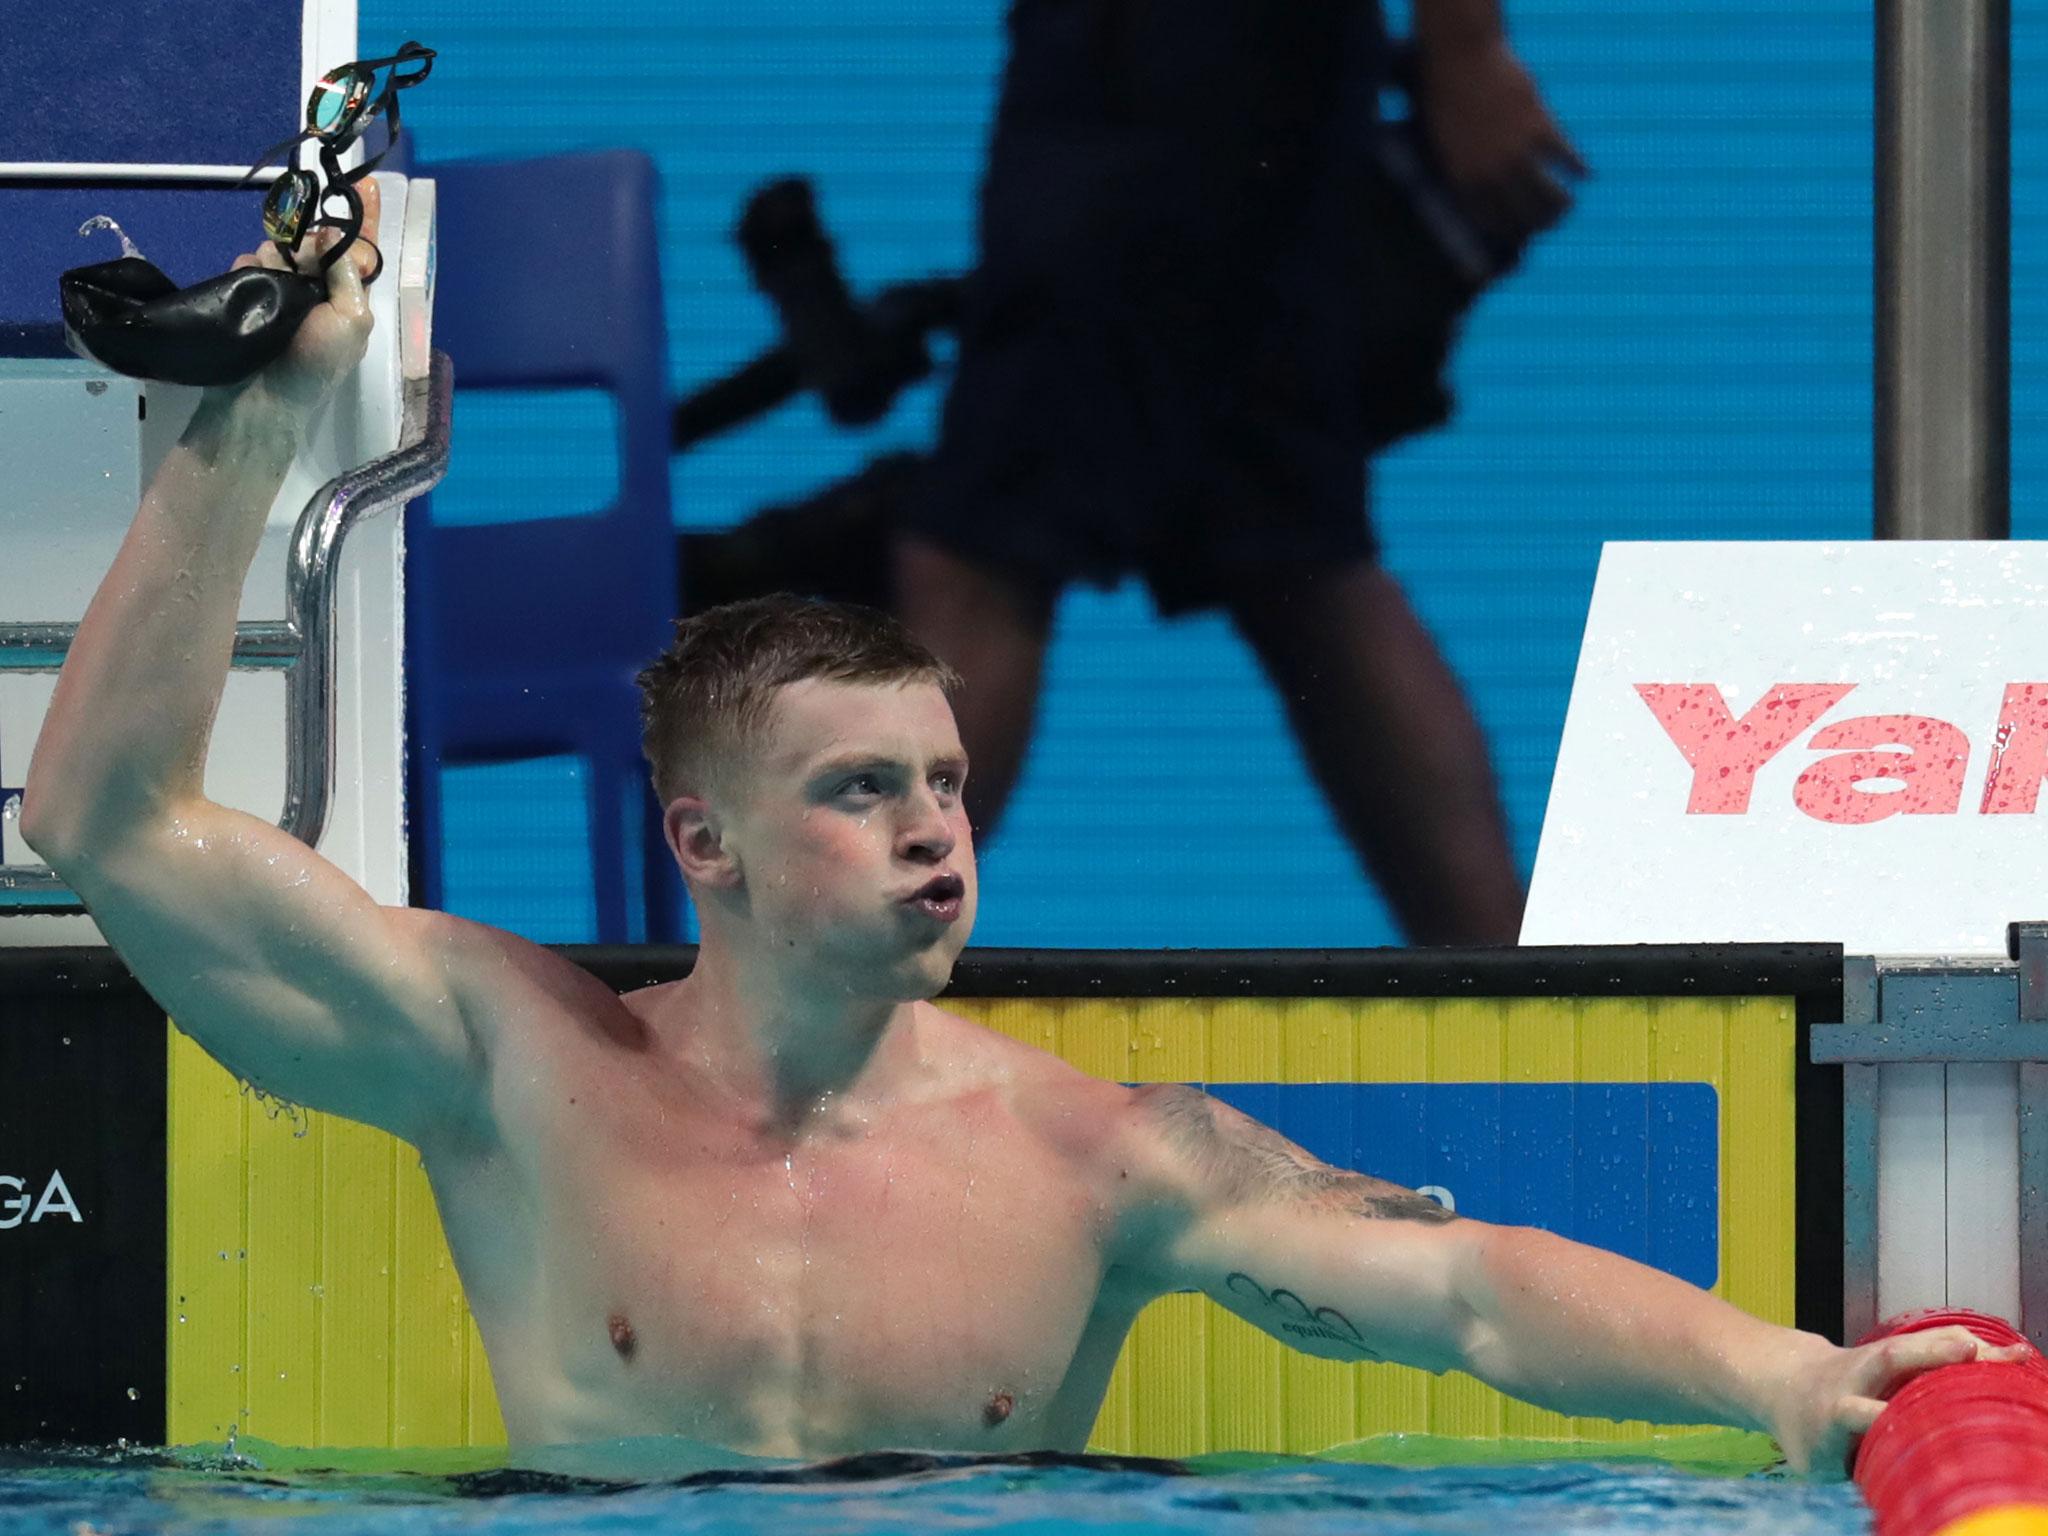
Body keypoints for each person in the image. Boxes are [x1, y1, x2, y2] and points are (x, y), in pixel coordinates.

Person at [22, 185, 2017, 1478]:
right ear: (698, 842)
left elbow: (1468, 1290)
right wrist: (261, 423)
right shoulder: (504, 1063)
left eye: (946, 784)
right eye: (860, 789)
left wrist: (1779, 1382)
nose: (933, 832)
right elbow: (102, 817)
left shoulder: (1097, 1160)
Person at [894, 0, 1582, 945]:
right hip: (1170, 76)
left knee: (985, 556)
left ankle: (850, 981)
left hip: (1177, 80)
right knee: (1296, 555)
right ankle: (1522, 998)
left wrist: (1464, 45)